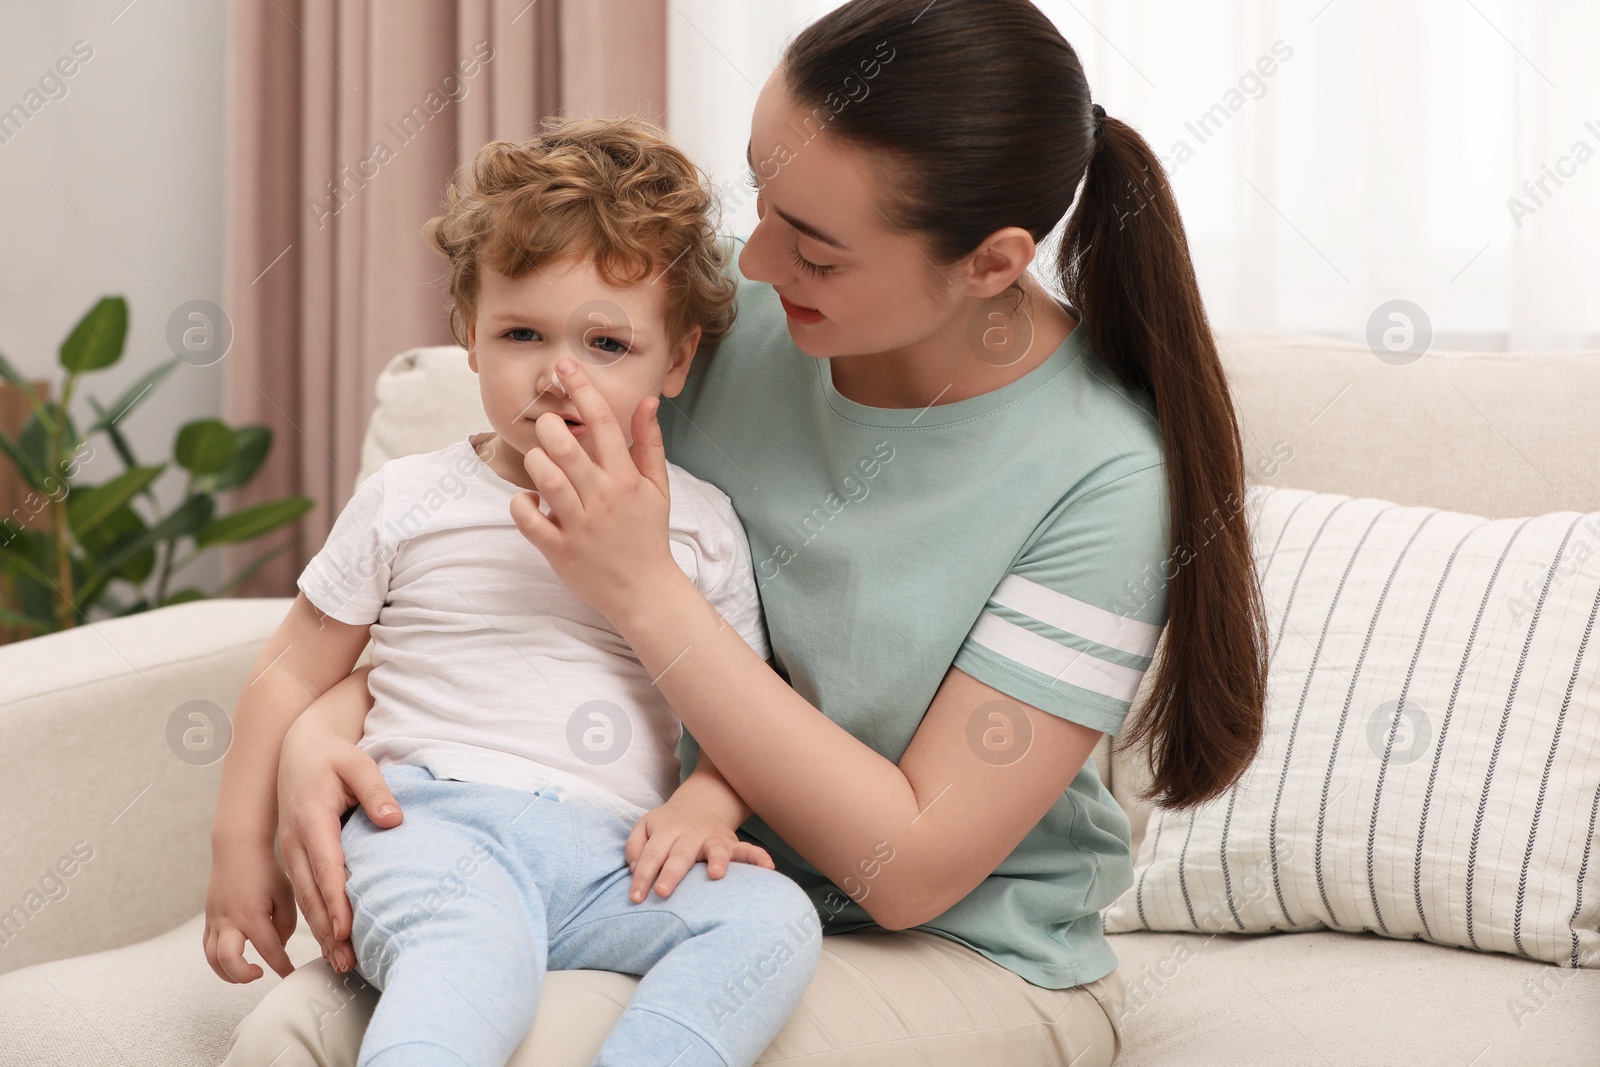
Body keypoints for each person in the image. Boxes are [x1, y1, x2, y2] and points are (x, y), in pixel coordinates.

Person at [222, 1, 1270, 1064]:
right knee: (302, 1029)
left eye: (813, 246)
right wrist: (324, 728)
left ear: (991, 264)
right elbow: (479, 567)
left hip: (944, 943)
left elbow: (906, 865)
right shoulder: (705, 317)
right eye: (761, 200)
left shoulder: (1102, 476)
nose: (756, 259)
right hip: (638, 868)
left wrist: (643, 587)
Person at [204, 118, 823, 1067]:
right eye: (522, 333)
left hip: (609, 859)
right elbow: (289, 676)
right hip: (424, 823)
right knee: (471, 956)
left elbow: (748, 706)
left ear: (678, 358)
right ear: (469, 336)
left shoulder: (701, 524)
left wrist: (708, 802)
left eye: (608, 342)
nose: (559, 374)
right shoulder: (407, 499)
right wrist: (239, 843)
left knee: (773, 919)